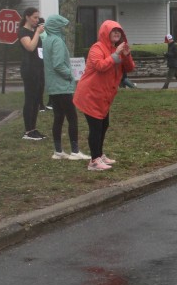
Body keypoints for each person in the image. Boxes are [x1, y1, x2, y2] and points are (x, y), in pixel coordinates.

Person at [73, 20, 135, 171]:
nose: (117, 33)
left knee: (104, 125)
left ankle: (99, 155)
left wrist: (126, 55)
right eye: (113, 31)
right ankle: (94, 161)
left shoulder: (116, 49)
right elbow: (100, 66)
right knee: (96, 127)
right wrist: (116, 54)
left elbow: (129, 68)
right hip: (90, 94)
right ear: (105, 33)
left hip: (103, 96)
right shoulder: (97, 48)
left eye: (119, 31)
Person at [42, 14, 91, 161]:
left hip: (53, 86)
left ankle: (58, 151)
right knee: (72, 118)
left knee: (58, 117)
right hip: (62, 86)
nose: (64, 29)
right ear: (56, 27)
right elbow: (58, 64)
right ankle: (75, 151)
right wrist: (70, 75)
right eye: (62, 26)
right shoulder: (57, 41)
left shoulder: (47, 40)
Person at [18, 7, 46, 140]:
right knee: (30, 99)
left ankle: (33, 128)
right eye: (34, 17)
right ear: (27, 17)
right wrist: (37, 33)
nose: (37, 20)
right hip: (29, 69)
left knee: (36, 99)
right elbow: (30, 47)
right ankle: (28, 130)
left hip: (38, 67)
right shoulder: (23, 31)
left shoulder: (34, 31)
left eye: (37, 17)